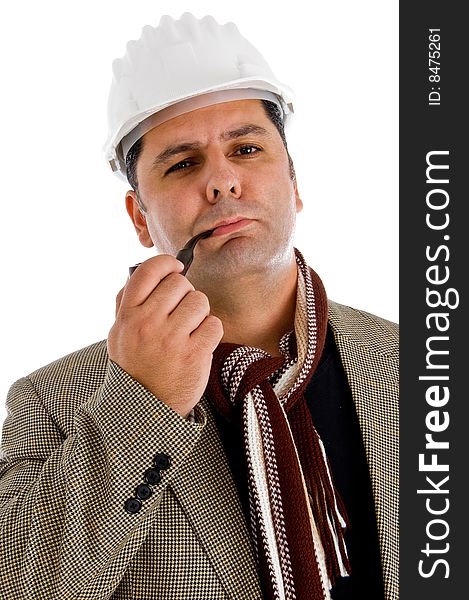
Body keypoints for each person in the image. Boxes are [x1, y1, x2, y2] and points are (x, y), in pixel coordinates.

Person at [0, 12, 398, 600]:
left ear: (294, 181)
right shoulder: (50, 404)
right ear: (140, 219)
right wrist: (139, 412)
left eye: (246, 148)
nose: (222, 182)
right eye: (183, 163)